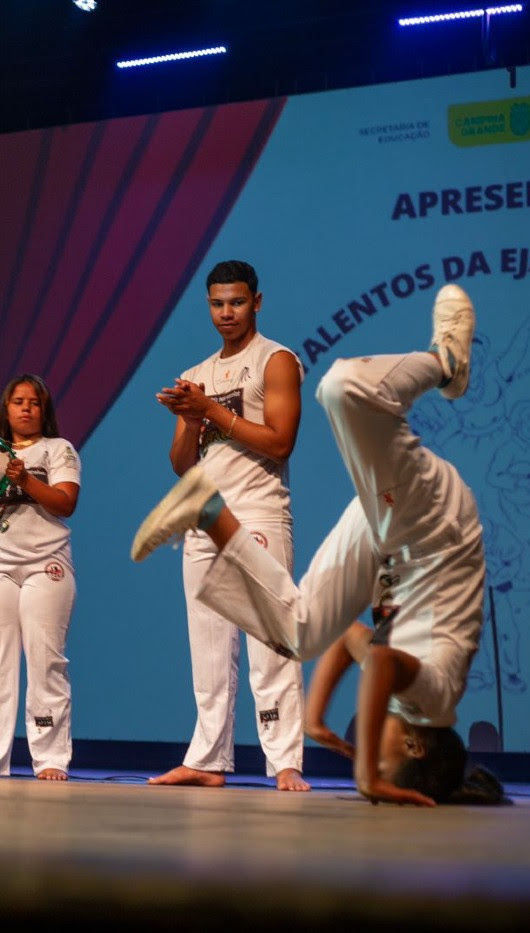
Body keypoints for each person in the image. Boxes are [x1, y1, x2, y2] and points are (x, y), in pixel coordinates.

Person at [133, 284, 505, 806]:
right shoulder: (434, 699)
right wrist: (368, 779)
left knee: (298, 633)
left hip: (389, 534)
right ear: (415, 746)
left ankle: (208, 509)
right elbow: (382, 665)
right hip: (433, 521)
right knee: (344, 388)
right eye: (382, 760)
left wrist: (314, 718)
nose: (370, 754)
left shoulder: (413, 702)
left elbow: (351, 638)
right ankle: (446, 362)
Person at [147, 260, 309, 792]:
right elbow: (182, 464)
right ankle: (208, 759)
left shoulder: (276, 360)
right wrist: (193, 418)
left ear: (256, 302)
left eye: (237, 302)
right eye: (217, 304)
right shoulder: (196, 375)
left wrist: (211, 412)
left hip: (258, 514)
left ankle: (284, 761)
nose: (227, 313)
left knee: (271, 641)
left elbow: (280, 442)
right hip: (206, 518)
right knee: (209, 649)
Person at [0, 375, 80, 781]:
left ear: (45, 410)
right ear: (6, 409)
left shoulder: (58, 449)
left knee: (46, 660)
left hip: (47, 563)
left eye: (34, 402)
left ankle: (51, 757)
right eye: (18, 401)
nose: (26, 408)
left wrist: (25, 480)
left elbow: (66, 503)